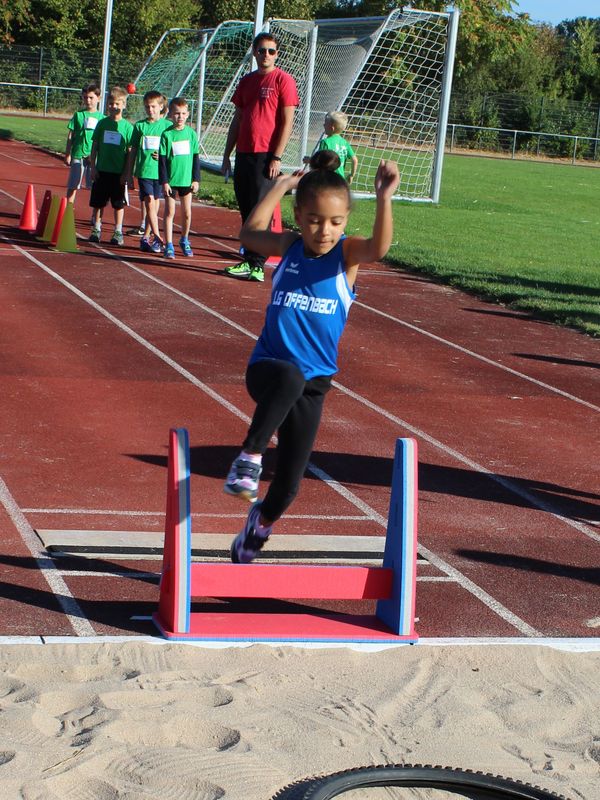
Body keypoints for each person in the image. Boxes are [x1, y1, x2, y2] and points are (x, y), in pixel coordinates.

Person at [224, 156, 400, 563]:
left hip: (314, 384)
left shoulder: (347, 255)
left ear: (345, 221)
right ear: (299, 218)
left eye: (336, 222)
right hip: (268, 369)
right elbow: (249, 234)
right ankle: (249, 457)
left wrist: (384, 198)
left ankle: (260, 524)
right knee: (289, 376)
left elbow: (379, 248)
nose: (325, 231)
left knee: (289, 485)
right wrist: (278, 188)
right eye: (315, 221)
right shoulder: (288, 247)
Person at [221, 32, 299, 283]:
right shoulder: (246, 81)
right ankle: (249, 259)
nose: (266, 55)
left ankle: (257, 265)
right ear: (254, 52)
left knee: (259, 209)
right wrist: (227, 154)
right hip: (244, 153)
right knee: (245, 207)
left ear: (277, 54)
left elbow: (287, 122)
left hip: (266, 155)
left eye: (271, 51)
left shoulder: (283, 80)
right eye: (262, 50)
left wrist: (276, 156)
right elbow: (237, 119)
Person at [127, 90, 172, 254]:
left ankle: (146, 237)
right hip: (144, 170)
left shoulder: (167, 126)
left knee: (154, 205)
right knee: (149, 202)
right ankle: (157, 237)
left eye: (153, 106)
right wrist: (129, 173)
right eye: (147, 107)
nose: (150, 110)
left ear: (161, 107)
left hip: (160, 173)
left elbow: (170, 148)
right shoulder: (140, 126)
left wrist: (162, 155)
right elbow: (133, 150)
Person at [88, 86, 134, 245]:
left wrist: (126, 173)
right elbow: (95, 146)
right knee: (98, 203)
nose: (114, 107)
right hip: (102, 170)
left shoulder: (127, 127)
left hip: (118, 173)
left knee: (118, 204)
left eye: (117, 104)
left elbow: (129, 152)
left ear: (124, 105)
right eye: (111, 103)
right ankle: (96, 229)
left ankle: (118, 231)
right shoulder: (102, 124)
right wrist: (93, 167)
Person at [158, 96, 200, 259]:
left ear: (187, 114)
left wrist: (196, 179)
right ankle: (169, 244)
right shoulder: (167, 135)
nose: (180, 117)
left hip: (186, 181)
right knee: (170, 212)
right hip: (171, 181)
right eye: (176, 113)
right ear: (170, 114)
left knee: (187, 213)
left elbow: (196, 158)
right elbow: (162, 161)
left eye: (183, 113)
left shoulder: (191, 134)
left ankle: (184, 239)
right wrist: (164, 181)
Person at [64, 83, 104, 205]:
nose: (88, 100)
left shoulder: (102, 118)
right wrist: (68, 153)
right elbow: (71, 135)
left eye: (91, 97)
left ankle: (95, 212)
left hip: (94, 157)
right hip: (78, 154)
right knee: (73, 185)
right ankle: (68, 208)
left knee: (94, 186)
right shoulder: (78, 115)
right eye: (85, 97)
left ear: (98, 98)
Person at [316, 111, 358, 184]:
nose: (323, 125)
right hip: (340, 180)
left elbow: (319, 161)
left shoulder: (325, 142)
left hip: (327, 179)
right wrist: (351, 175)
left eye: (325, 123)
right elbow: (355, 160)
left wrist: (309, 160)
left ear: (332, 128)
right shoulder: (345, 143)